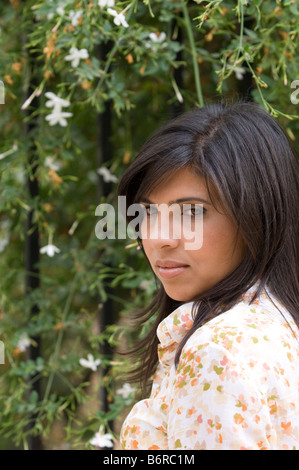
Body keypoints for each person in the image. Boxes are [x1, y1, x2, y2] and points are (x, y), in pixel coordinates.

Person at [117, 101, 299, 450]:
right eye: (148, 211)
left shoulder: (217, 353)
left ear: (256, 218)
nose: (159, 237)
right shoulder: (276, 321)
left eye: (191, 212)